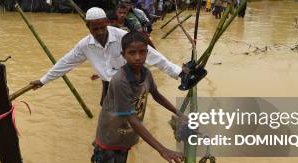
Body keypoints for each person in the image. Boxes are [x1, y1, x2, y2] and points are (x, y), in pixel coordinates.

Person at [92, 31, 184, 163]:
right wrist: (163, 150)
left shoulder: (146, 74)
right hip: (109, 137)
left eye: (142, 52)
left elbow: (157, 95)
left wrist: (178, 113)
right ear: (123, 54)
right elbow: (132, 119)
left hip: (126, 138)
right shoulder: (120, 81)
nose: (138, 57)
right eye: (132, 53)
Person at [30, 7, 184, 105]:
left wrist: (178, 72)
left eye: (102, 27)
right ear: (87, 27)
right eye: (95, 29)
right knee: (107, 111)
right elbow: (65, 63)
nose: (100, 32)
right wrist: (43, 80)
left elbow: (153, 56)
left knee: (129, 120)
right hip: (108, 85)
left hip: (128, 83)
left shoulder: (123, 37)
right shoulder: (84, 45)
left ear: (107, 23)